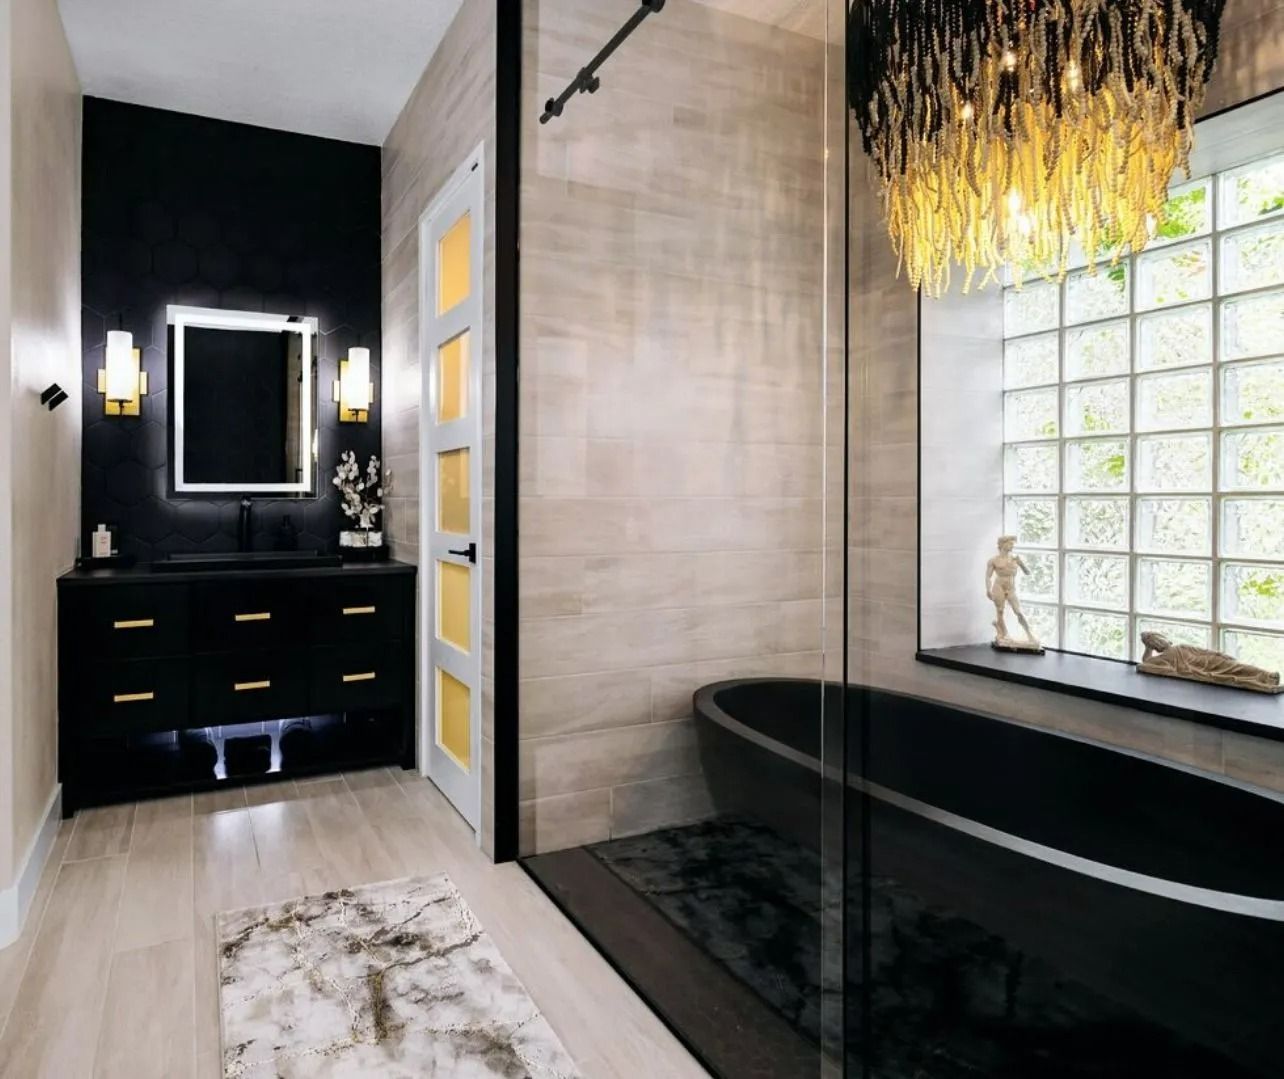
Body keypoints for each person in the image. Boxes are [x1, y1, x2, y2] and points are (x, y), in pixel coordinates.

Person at [985, 535, 1038, 647]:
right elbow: (988, 576)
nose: (1012, 546)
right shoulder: (993, 560)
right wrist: (988, 589)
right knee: (1000, 611)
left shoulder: (1015, 559)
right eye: (1010, 544)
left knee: (1018, 611)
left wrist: (1021, 563)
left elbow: (1027, 572)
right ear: (1002, 545)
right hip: (998, 586)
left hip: (1010, 588)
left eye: (1012, 544)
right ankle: (1004, 634)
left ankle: (1029, 634)